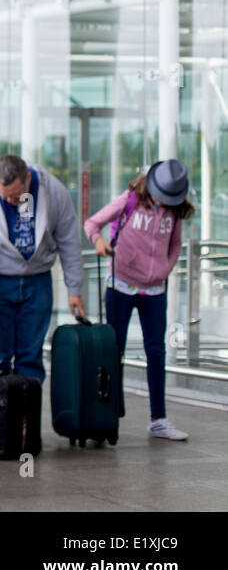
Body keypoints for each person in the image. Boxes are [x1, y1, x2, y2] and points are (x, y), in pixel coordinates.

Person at [84, 160, 192, 441]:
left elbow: (177, 243)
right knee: (114, 351)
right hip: (121, 285)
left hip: (155, 290)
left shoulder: (175, 210)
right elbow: (92, 223)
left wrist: (165, 268)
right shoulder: (130, 199)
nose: (163, 201)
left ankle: (158, 420)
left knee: (156, 352)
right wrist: (98, 240)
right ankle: (108, 415)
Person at [0, 153, 84, 383]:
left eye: (16, 196)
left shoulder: (53, 191)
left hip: (37, 281)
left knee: (30, 358)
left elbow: (69, 241)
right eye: (3, 196)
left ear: (27, 178)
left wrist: (74, 289)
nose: (10, 201)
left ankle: (26, 419)